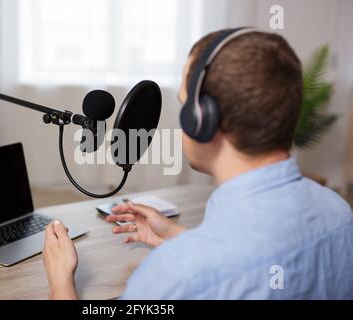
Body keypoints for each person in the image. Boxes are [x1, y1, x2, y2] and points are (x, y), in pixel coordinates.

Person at [42, 29, 353, 299]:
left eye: (183, 105)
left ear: (203, 119)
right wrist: (178, 236)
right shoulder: (338, 212)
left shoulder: (176, 273)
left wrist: (61, 280)